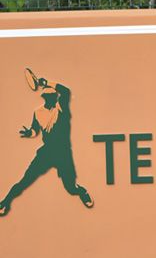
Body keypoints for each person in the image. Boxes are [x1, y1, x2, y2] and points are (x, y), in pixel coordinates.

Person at [0, 73, 93, 217]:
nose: (52, 98)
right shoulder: (37, 112)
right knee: (25, 181)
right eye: (48, 96)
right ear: (44, 98)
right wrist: (29, 133)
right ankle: (5, 202)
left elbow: (66, 91)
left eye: (54, 96)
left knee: (71, 188)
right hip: (47, 152)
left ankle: (82, 192)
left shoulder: (61, 110)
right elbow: (35, 131)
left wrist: (46, 82)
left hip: (63, 152)